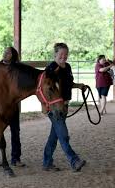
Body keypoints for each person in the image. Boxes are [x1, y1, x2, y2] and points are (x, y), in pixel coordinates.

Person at [43, 43, 86, 172]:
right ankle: (74, 160)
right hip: (55, 108)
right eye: (61, 54)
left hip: (64, 106)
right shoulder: (50, 69)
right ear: (55, 54)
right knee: (63, 135)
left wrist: (79, 86)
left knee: (54, 136)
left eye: (66, 54)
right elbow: (47, 88)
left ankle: (47, 162)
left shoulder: (67, 67)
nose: (64, 56)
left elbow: (69, 83)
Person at [0, 47, 25, 167]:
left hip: (13, 106)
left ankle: (16, 158)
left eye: (8, 52)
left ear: (13, 55)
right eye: (4, 51)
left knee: (15, 131)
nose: (5, 53)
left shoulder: (17, 69)